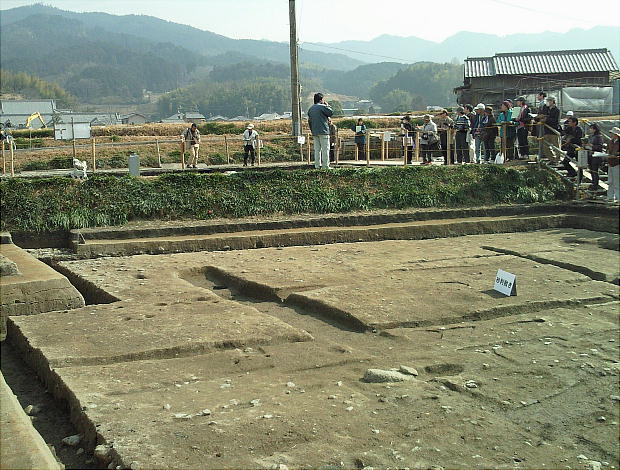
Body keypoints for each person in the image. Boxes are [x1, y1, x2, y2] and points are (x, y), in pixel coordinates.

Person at [307, 92, 333, 169]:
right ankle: (325, 166)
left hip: (315, 132)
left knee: (317, 150)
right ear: (321, 100)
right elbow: (330, 112)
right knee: (325, 149)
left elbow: (309, 121)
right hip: (323, 131)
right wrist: (327, 105)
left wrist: (312, 130)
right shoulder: (322, 107)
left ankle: (317, 165)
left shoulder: (311, 109)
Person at [584, 123, 604, 190]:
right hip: (590, 155)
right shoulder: (591, 136)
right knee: (592, 171)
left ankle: (595, 185)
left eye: (591, 128)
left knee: (595, 171)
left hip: (596, 156)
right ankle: (593, 183)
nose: (590, 129)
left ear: (595, 129)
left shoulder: (598, 137)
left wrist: (592, 146)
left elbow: (600, 147)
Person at [607, 127, 620, 202]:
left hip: (617, 163)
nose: (611, 135)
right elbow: (608, 151)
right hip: (610, 163)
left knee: (617, 181)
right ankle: (610, 197)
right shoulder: (610, 141)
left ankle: (618, 197)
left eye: (613, 133)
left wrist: (616, 156)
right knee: (610, 181)